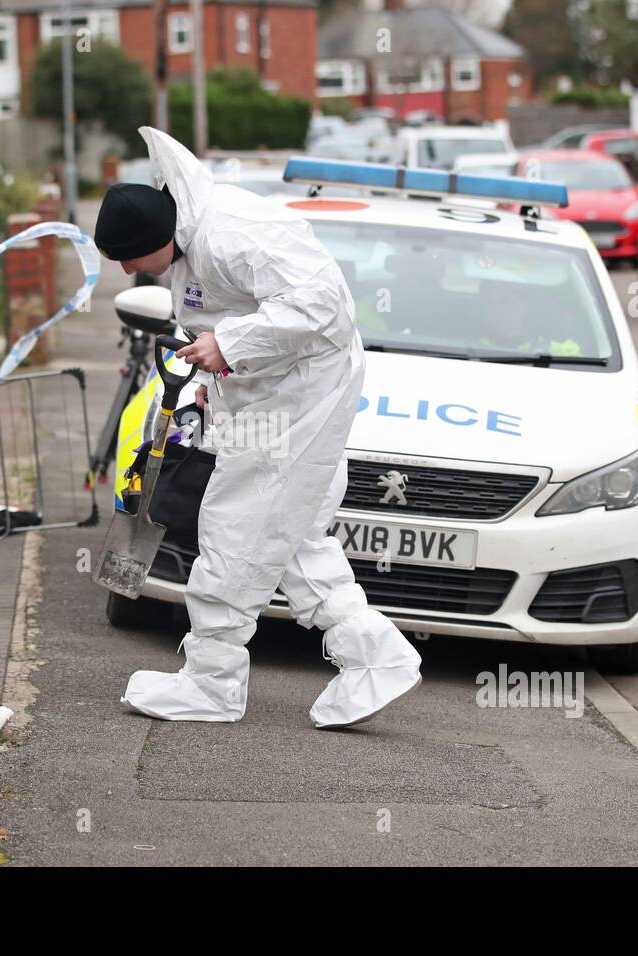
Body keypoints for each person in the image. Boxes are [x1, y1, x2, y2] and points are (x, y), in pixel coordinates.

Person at [94, 127, 422, 728]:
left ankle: (213, 684)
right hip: (276, 389)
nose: (125, 272)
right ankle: (375, 654)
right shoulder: (191, 240)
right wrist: (216, 372)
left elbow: (320, 304)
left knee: (235, 523)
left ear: (158, 238)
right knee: (290, 532)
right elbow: (233, 314)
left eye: (129, 260)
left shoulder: (231, 234)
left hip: (299, 395)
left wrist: (230, 345)